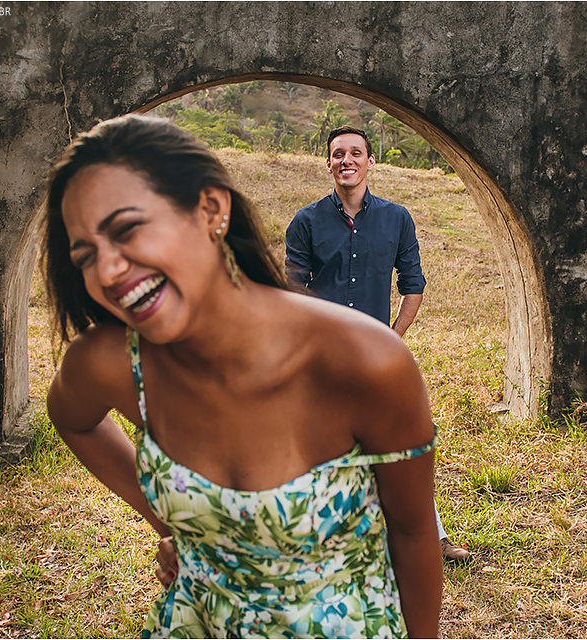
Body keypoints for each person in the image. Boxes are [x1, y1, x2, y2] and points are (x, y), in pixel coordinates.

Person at [42, 114, 443, 638]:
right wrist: (185, 529)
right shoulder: (114, 362)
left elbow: (413, 533)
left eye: (128, 229)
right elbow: (72, 418)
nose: (109, 271)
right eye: (86, 256)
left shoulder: (367, 362)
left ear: (211, 209)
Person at [285, 125, 471, 564]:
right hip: (322, 359)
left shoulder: (396, 219)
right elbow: (292, 290)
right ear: (328, 163)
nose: (346, 160)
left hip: (376, 359)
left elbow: (413, 286)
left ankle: (431, 537)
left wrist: (389, 338)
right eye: (337, 154)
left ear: (371, 162)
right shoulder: (306, 222)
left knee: (403, 447)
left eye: (355, 153)